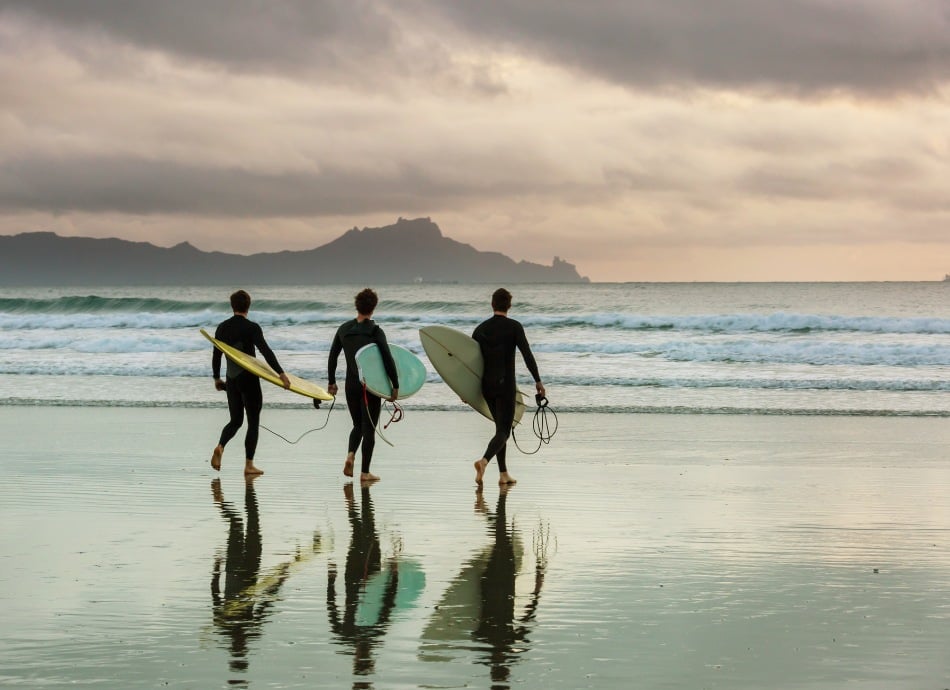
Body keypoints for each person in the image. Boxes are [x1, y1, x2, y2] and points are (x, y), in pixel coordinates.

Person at [210, 289, 290, 476]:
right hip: (249, 379)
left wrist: (216, 378)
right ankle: (249, 465)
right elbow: (265, 351)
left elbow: (216, 355)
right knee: (253, 422)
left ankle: (220, 446)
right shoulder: (252, 328)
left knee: (236, 420)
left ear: (232, 306)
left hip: (231, 378)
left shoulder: (222, 327)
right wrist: (281, 373)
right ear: (248, 306)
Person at [472, 288, 545, 485]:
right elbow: (527, 355)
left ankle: (503, 474)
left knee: (499, 429)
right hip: (505, 385)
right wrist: (537, 380)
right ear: (509, 305)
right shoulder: (514, 327)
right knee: (504, 429)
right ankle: (484, 461)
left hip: (487, 386)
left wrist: (467, 391)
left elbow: (471, 363)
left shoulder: (480, 329)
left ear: (492, 304)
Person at [327, 288, 399, 484]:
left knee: (357, 425)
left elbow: (333, 356)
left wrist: (331, 381)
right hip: (370, 387)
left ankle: (350, 454)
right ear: (373, 308)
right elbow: (387, 358)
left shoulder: (344, 329)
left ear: (356, 306)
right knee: (369, 429)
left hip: (351, 384)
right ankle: (365, 472)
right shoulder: (375, 331)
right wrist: (395, 384)